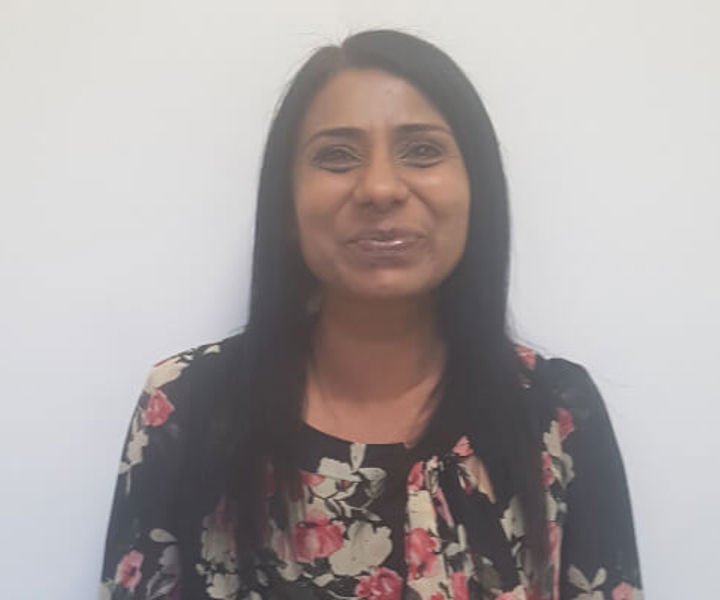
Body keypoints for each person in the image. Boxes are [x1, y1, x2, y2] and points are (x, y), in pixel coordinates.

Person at [99, 29, 643, 600]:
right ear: (287, 203)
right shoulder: (188, 404)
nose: (380, 188)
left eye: (422, 151)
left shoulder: (555, 413)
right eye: (336, 156)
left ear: (476, 189)